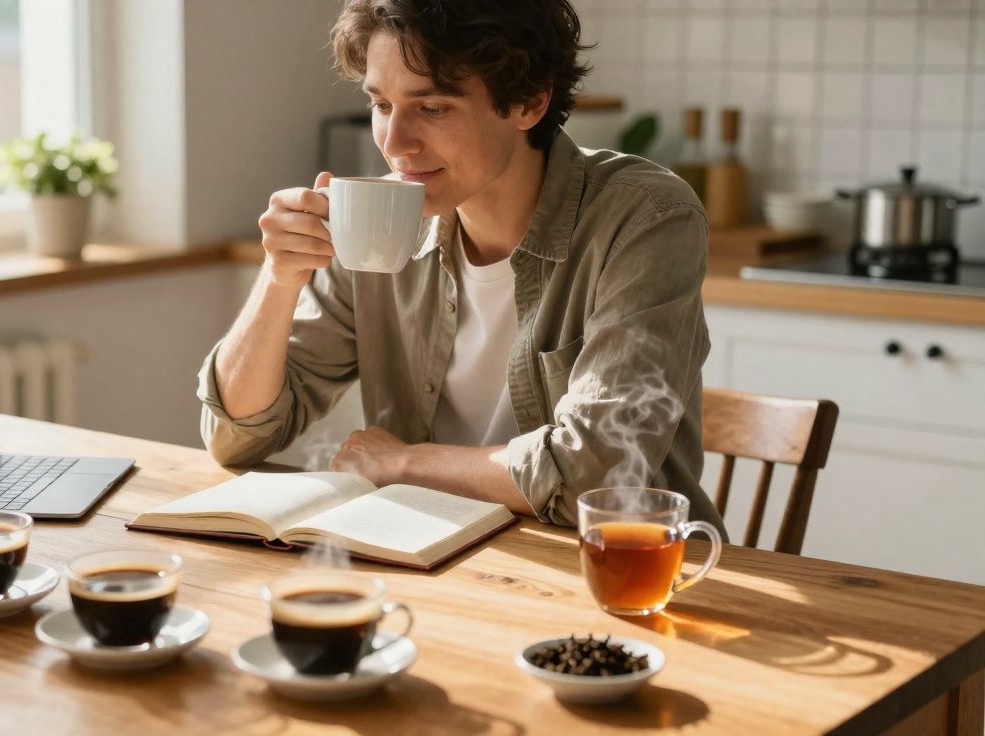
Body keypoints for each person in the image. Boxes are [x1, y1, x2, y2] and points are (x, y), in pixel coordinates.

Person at [197, 0, 726, 534]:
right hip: (429, 556)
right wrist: (281, 277)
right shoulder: (373, 220)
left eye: (432, 108)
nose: (395, 143)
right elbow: (239, 434)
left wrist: (404, 463)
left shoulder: (645, 217)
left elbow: (597, 472)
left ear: (529, 102)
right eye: (381, 105)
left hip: (617, 572)